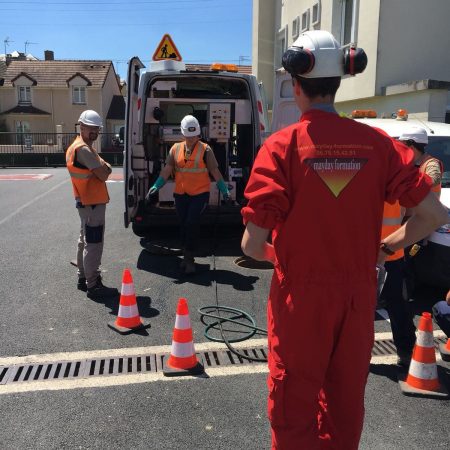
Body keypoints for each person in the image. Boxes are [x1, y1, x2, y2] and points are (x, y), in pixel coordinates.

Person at [240, 30, 448, 450]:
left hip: (300, 299)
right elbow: (434, 215)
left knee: (292, 408)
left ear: (295, 85)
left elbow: (250, 244)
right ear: (339, 83)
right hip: (357, 297)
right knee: (344, 406)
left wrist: (285, 259)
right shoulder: (381, 145)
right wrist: (385, 249)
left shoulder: (281, 148)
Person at [146, 114, 230, 274]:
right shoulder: (175, 149)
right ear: (183, 134)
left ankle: (190, 259)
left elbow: (215, 171)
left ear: (198, 134)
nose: (192, 139)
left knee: (192, 223)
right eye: (189, 136)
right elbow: (167, 170)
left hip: (200, 194)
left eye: (195, 136)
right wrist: (156, 186)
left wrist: (224, 190)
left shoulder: (206, 150)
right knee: (184, 224)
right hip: (181, 194)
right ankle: (186, 255)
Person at [66, 110, 116, 299]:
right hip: (92, 203)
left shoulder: (80, 146)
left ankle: (82, 278)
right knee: (93, 243)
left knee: (84, 240)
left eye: (97, 129)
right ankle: (93, 284)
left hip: (85, 201)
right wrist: (104, 168)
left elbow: (106, 167)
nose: (95, 132)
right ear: (82, 126)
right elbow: (104, 173)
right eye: (91, 128)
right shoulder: (84, 150)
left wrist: (104, 167)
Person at [400, 126, 445, 299]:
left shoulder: (430, 163)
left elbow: (433, 178)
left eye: (403, 144)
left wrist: (411, 186)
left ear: (411, 144)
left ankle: (404, 294)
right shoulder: (410, 162)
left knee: (406, 260)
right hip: (408, 219)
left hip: (421, 222)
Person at [379, 201, 416, 368]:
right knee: (398, 305)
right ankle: (407, 352)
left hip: (387, 255)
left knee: (398, 306)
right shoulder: (397, 177)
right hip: (388, 253)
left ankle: (407, 351)